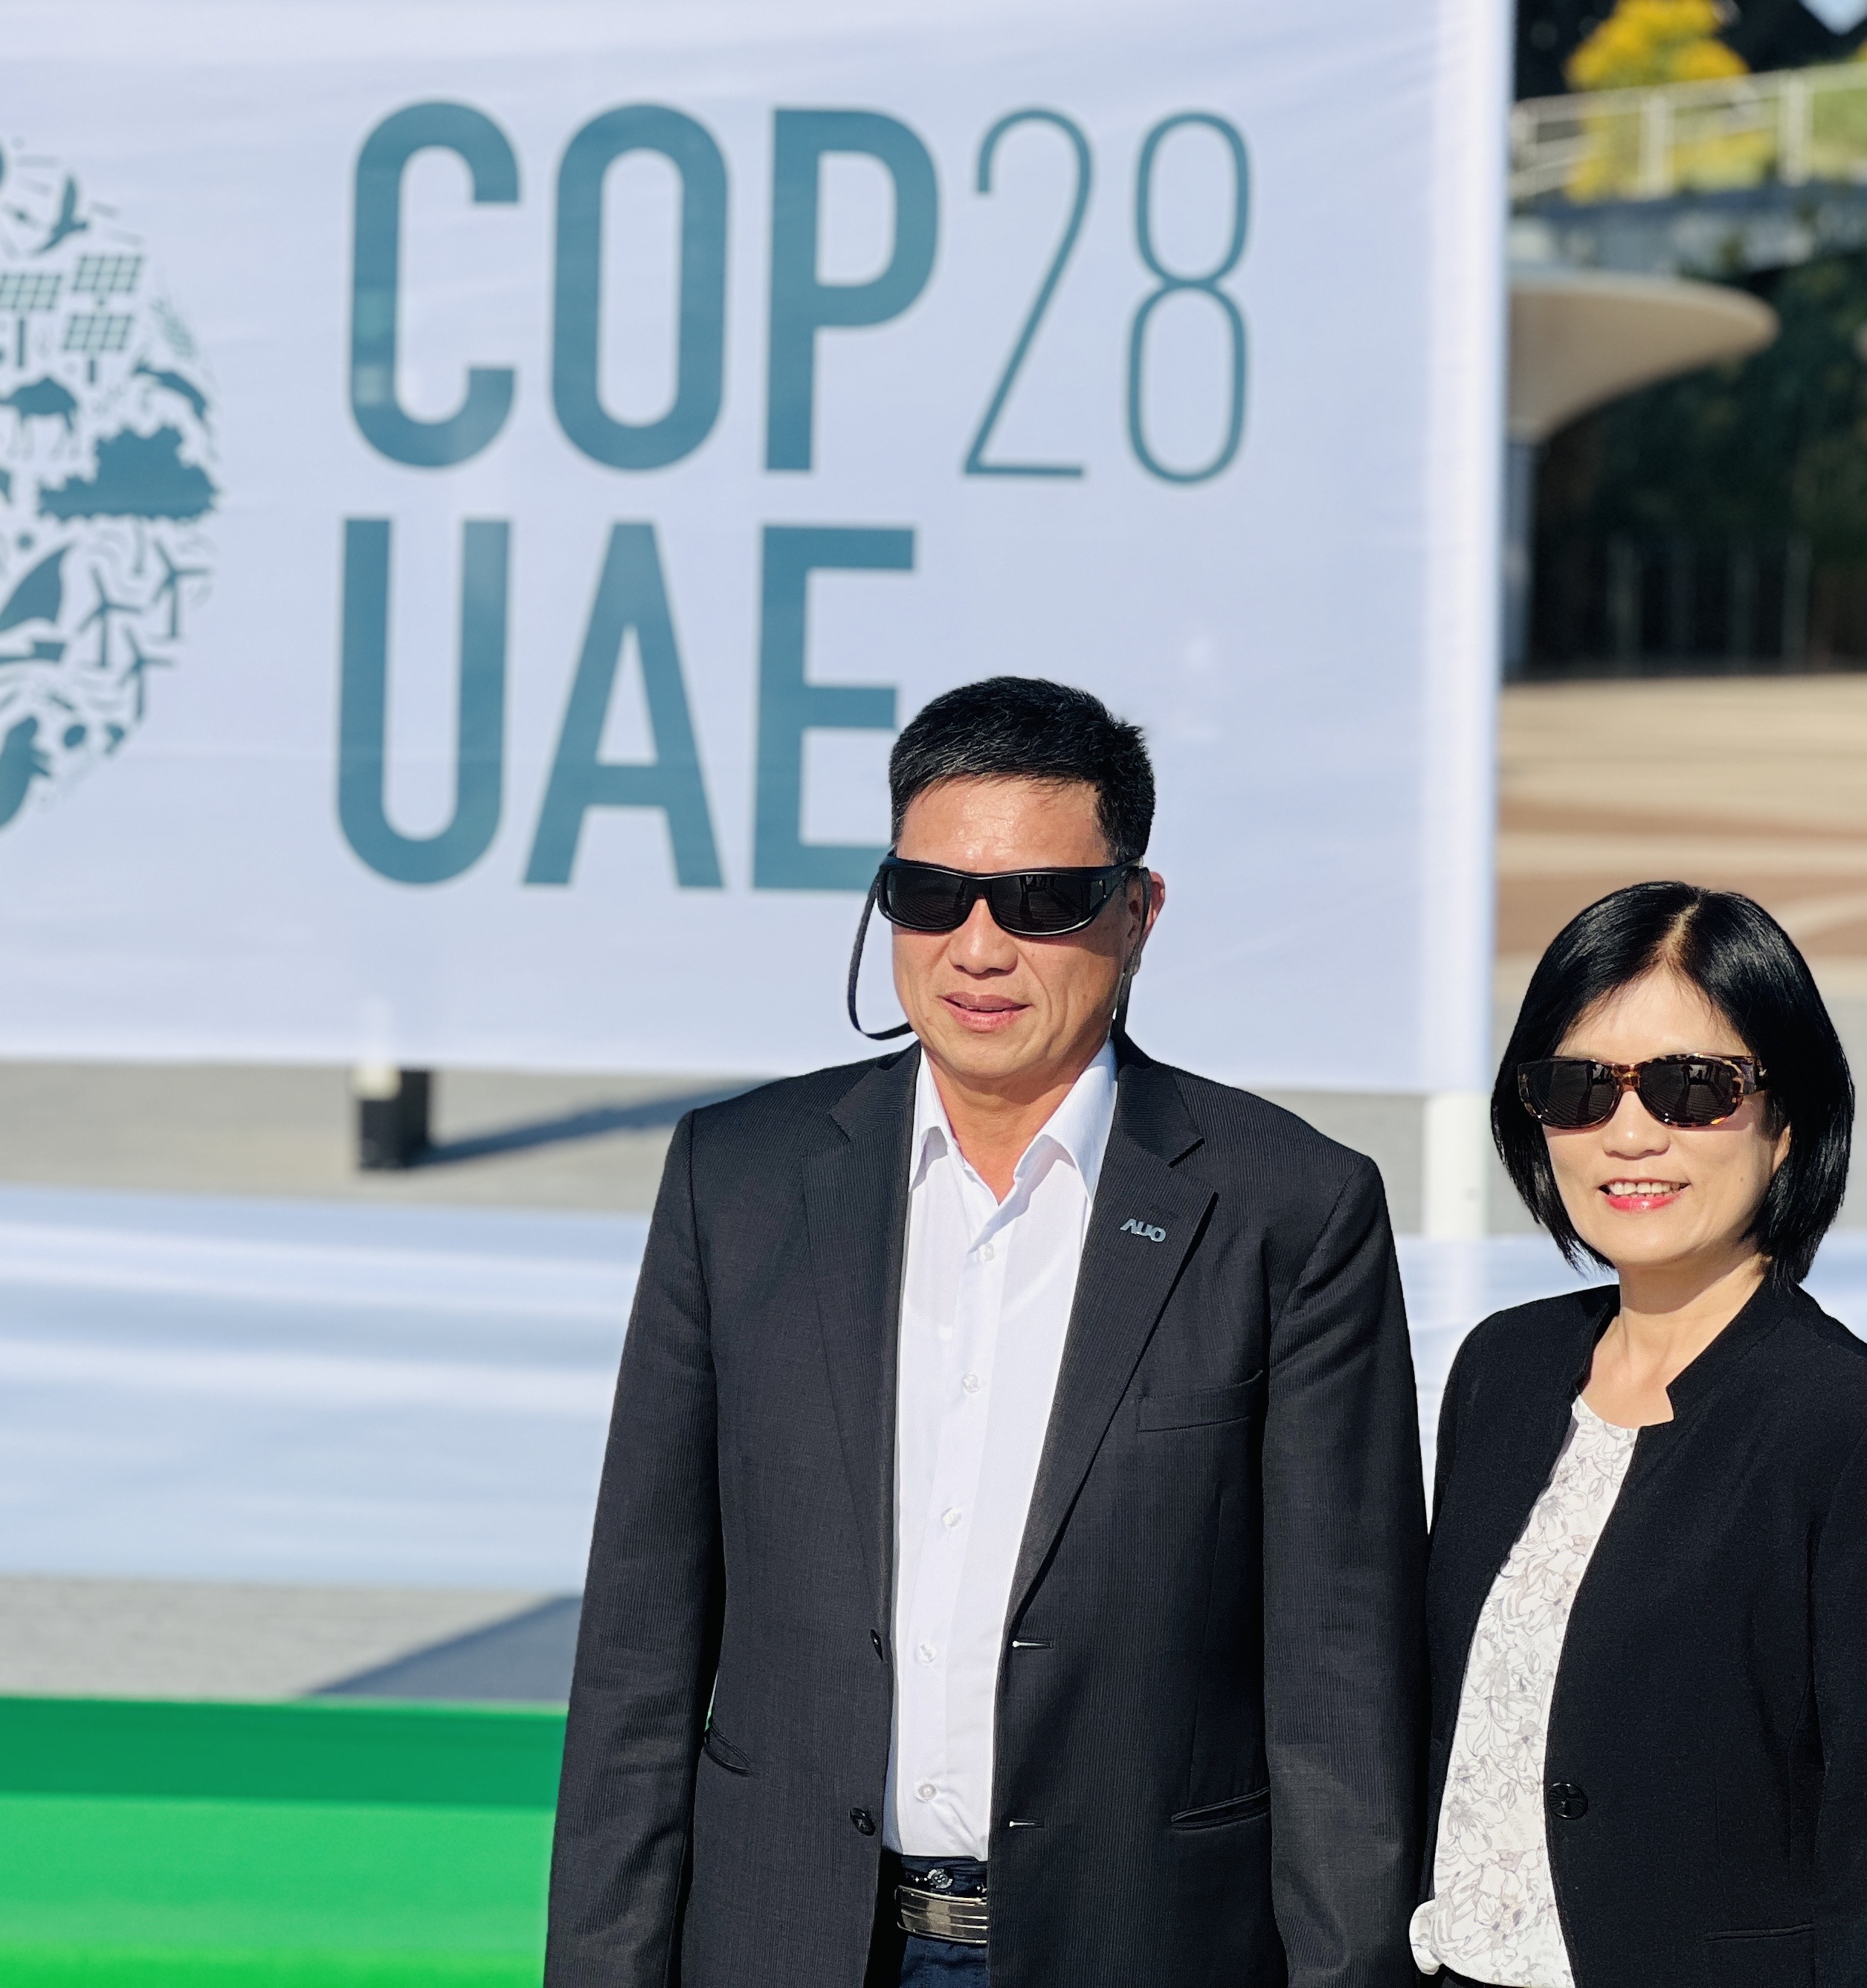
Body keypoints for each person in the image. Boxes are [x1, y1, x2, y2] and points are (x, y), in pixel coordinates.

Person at [549, 675, 1427, 1988]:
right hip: (788, 1941)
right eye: (930, 894)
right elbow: (640, 1646)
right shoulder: (735, 1183)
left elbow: (1341, 1678)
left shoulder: (1289, 1209)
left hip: (1141, 1949)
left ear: (1136, 914)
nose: (977, 948)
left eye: (1039, 901)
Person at [1419, 882, 1867, 1988]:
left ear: (1788, 1121)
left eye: (1692, 1088)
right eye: (1578, 1089)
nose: (1630, 1135)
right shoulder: (1503, 1370)